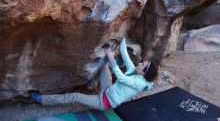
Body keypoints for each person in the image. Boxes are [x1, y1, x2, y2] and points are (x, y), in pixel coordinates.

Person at [29, 38, 159, 110]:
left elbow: (121, 78)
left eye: (143, 65)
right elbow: (124, 53)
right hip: (107, 89)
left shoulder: (140, 82)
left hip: (104, 102)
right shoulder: (135, 70)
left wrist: (111, 57)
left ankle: (42, 99)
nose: (140, 63)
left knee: (75, 96)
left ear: (144, 73)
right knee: (103, 65)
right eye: (143, 62)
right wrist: (121, 38)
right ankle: (92, 84)